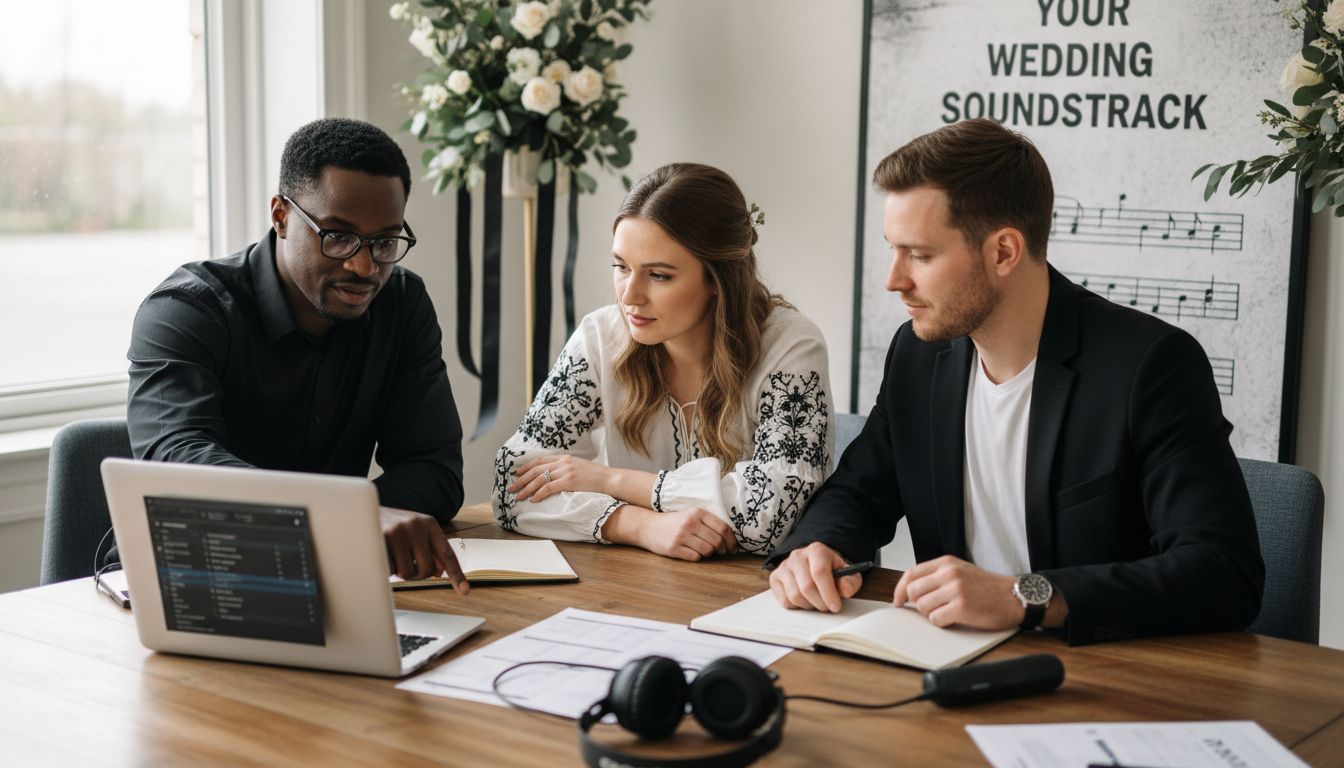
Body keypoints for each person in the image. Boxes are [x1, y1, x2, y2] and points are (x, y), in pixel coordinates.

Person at [766, 118, 1263, 644]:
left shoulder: (1150, 365)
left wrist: (1024, 597)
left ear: (1004, 251)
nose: (895, 280)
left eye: (921, 254)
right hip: (948, 663)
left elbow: (1223, 573)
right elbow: (861, 492)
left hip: (1105, 676)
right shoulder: (917, 353)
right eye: (893, 249)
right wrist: (819, 550)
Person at [127, 117, 468, 591]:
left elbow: (435, 470)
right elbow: (175, 461)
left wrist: (348, 522)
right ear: (281, 216)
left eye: (386, 242)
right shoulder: (186, 311)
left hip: (335, 587)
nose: (364, 265)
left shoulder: (401, 303)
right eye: (338, 236)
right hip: (199, 582)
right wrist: (346, 519)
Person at [492, 163, 833, 560]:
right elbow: (510, 488)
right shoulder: (600, 337)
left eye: (658, 275)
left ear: (717, 279)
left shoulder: (790, 348)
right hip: (634, 590)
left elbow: (767, 519)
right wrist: (640, 526)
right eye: (621, 267)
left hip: (756, 598)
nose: (629, 296)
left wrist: (613, 480)